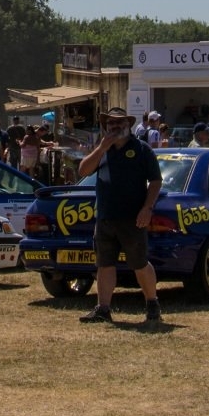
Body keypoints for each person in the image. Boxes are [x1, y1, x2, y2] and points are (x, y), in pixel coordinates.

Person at [77, 109, 162, 324]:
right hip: (105, 217)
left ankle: (152, 303)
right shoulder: (102, 150)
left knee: (140, 263)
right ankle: (103, 308)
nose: (114, 127)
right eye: (110, 123)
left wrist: (147, 208)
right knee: (105, 264)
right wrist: (101, 148)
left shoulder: (142, 150)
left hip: (133, 218)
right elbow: (82, 171)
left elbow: (155, 181)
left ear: (128, 124)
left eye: (119, 122)